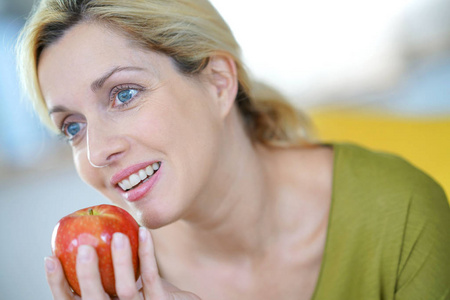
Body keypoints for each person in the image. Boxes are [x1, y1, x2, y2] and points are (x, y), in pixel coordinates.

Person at [17, 0, 450, 299]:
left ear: (218, 82)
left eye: (124, 94)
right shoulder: (119, 282)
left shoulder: (400, 214)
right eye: (72, 126)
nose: (96, 152)